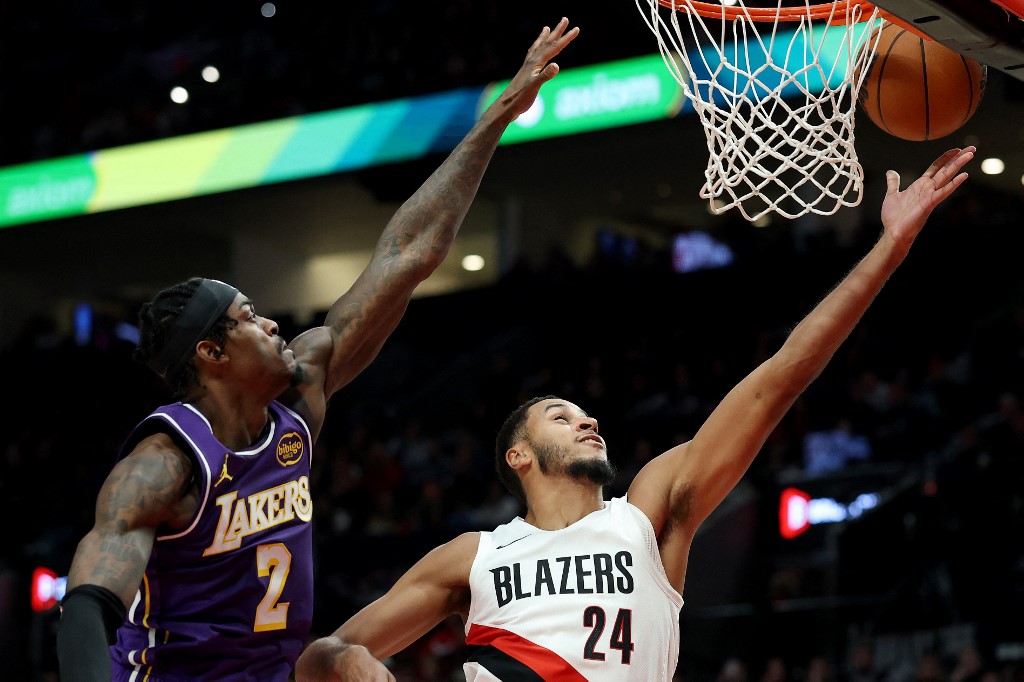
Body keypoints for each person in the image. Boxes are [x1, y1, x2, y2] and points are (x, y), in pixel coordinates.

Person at [294, 144, 976, 681]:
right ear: (518, 456)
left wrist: (889, 250)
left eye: (587, 413)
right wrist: (349, 662)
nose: (588, 420)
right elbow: (326, 654)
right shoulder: (472, 556)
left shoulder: (647, 514)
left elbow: (778, 381)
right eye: (561, 416)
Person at [55, 17, 581, 682]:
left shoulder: (299, 400)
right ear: (212, 353)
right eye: (248, 318)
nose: (272, 323)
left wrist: (498, 116)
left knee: (347, 665)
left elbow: (410, 252)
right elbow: (85, 611)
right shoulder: (163, 465)